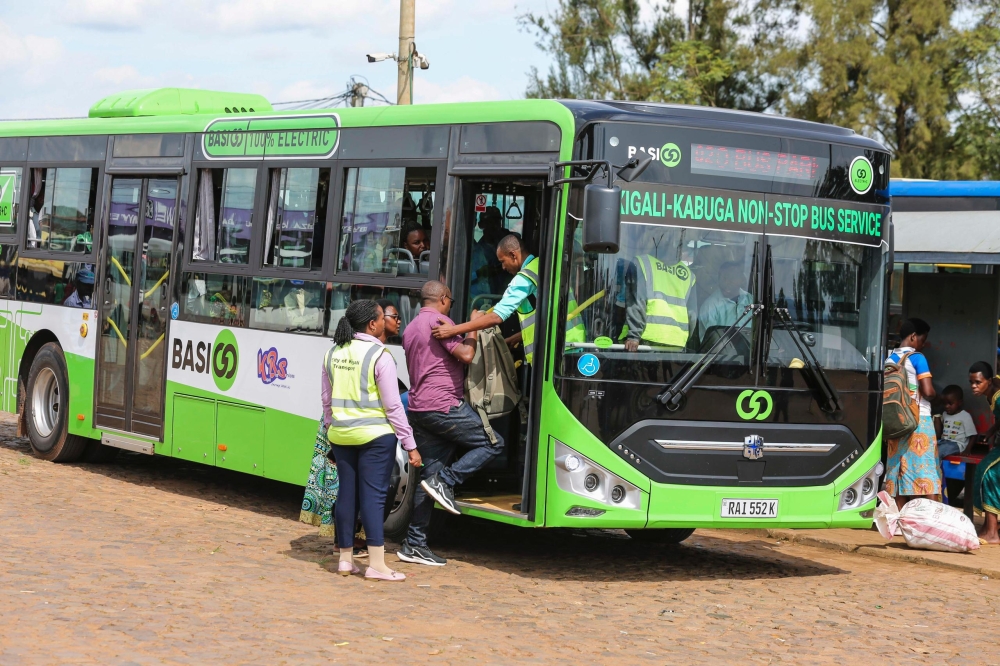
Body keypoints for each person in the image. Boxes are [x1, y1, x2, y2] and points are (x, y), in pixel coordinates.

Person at [398, 280, 504, 567]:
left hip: (418, 408)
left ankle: (414, 544)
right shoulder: (440, 322)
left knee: (427, 478)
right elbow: (467, 355)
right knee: (493, 443)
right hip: (443, 406)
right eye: (451, 301)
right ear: (443, 298)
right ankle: (447, 481)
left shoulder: (410, 327)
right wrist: (473, 326)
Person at [324, 300, 421, 580]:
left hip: (341, 435)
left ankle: (345, 560)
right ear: (372, 324)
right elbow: (393, 407)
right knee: (374, 497)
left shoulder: (332, 352)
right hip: (375, 437)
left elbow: (326, 401)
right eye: (381, 318)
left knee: (347, 494)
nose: (384, 322)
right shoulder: (380, 355)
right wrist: (410, 445)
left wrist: (333, 431)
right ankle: (377, 565)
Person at [432, 234, 539, 364]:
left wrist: (453, 330)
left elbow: (496, 317)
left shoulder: (523, 278)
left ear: (513, 255)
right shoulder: (539, 265)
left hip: (544, 353)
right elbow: (541, 318)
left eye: (503, 261)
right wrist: (516, 338)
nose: (503, 267)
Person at [884, 318, 941, 504]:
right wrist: (938, 397)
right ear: (913, 336)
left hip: (895, 424)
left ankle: (900, 516)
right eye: (923, 340)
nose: (923, 345)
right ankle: (930, 516)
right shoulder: (917, 358)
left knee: (900, 474)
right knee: (927, 474)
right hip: (918, 421)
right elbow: (928, 392)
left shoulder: (888, 360)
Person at [623, 244, 698, 352]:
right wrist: (683, 340)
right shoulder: (689, 275)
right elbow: (692, 316)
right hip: (676, 344)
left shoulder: (642, 263)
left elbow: (637, 301)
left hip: (644, 342)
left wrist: (634, 336)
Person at [970, 361, 1000, 543]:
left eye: (978, 382)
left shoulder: (998, 397)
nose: (974, 386)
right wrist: (991, 431)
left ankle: (992, 532)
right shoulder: (992, 395)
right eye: (971, 382)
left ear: (988, 381)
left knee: (988, 473)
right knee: (984, 470)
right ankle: (989, 527)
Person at [698, 261, 751, 340]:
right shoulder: (710, 306)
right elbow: (711, 342)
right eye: (723, 278)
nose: (726, 282)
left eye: (731, 278)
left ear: (741, 280)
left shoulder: (751, 300)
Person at [935, 385, 977, 460]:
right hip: (944, 441)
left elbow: (973, 435)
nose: (947, 406)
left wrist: (968, 449)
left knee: (939, 451)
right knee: (930, 448)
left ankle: (935, 467)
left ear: (960, 402)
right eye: (944, 403)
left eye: (950, 403)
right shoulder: (944, 414)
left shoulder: (965, 416)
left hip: (957, 444)